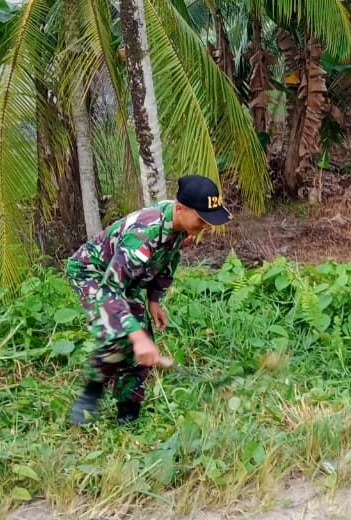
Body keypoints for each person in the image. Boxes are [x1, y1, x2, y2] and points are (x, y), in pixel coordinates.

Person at [66, 175, 233, 426]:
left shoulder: (180, 224)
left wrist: (154, 299)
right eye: (202, 219)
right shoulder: (143, 235)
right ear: (180, 209)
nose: (206, 226)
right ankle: (90, 395)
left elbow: (168, 258)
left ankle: (128, 410)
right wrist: (136, 336)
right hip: (93, 274)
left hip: (127, 278)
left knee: (141, 341)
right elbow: (110, 290)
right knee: (118, 334)